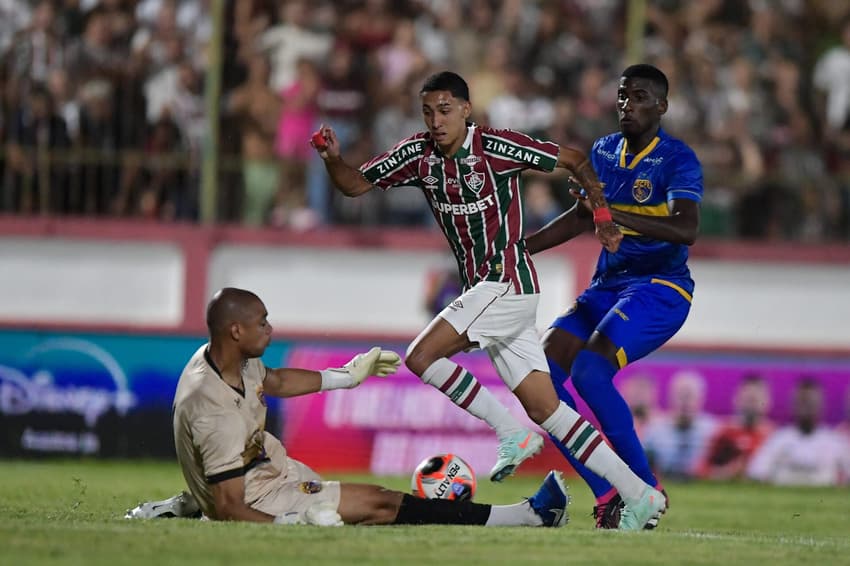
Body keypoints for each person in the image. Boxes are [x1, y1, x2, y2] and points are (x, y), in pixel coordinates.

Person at [311, 70, 664, 530]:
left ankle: (510, 432)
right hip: (491, 293)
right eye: (427, 112)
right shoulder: (418, 156)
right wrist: (333, 159)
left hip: (506, 282)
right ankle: (641, 496)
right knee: (549, 411)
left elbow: (574, 158)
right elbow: (355, 184)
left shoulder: (497, 147)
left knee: (420, 356)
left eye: (443, 110)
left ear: (465, 110)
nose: (435, 121)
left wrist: (600, 216)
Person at [160, 287, 570, 527]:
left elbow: (276, 380)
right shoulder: (213, 408)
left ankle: (184, 506)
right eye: (262, 322)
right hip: (262, 496)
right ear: (236, 331)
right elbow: (231, 506)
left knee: (368, 508)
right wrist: (292, 525)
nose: (270, 327)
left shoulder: (226, 357)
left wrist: (348, 376)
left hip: (271, 470)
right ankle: (528, 515)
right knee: (380, 503)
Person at [525, 64, 703, 528]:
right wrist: (519, 251)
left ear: (661, 106)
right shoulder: (602, 152)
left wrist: (611, 212)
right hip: (608, 286)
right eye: (623, 95)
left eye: (640, 96)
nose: (627, 104)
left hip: (660, 288)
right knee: (540, 378)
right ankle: (607, 492)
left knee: (589, 370)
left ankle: (647, 490)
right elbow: (583, 218)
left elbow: (686, 228)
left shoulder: (678, 159)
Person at [746, 378, 850, 486]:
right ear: (793, 404)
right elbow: (757, 474)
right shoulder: (778, 439)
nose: (806, 408)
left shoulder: (835, 441)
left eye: (810, 402)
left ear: (821, 405)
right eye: (802, 402)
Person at [695, 374, 773, 480]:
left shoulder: (773, 437)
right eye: (749, 399)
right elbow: (700, 470)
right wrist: (726, 473)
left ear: (767, 401)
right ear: (737, 399)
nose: (751, 405)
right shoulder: (723, 433)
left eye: (755, 400)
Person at [640, 371, 717, 479]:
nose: (685, 401)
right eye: (680, 395)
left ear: (701, 398)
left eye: (689, 396)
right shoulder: (654, 429)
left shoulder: (712, 430)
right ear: (670, 397)